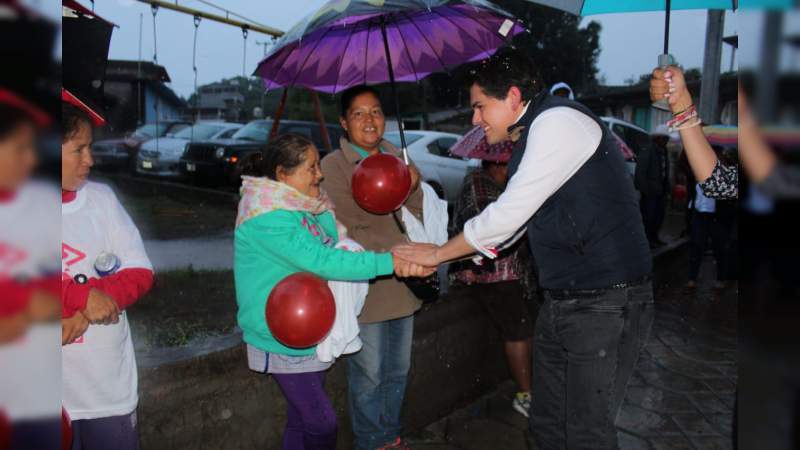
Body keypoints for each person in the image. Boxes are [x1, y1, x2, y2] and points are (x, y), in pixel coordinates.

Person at [394, 48, 654, 449]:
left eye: (480, 107)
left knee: (586, 432)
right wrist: (445, 251)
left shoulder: (557, 122)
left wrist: (437, 254)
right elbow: (509, 231)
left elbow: (507, 218)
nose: (475, 120)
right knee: (546, 423)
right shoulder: (531, 135)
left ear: (513, 97)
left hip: (606, 302)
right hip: (564, 300)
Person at [234, 133, 430, 450]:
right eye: (311, 168)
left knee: (301, 422)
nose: (320, 174)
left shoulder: (306, 206)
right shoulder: (266, 217)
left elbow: (334, 243)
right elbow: (323, 260)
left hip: (309, 331)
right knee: (321, 423)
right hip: (279, 336)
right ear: (283, 175)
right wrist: (389, 262)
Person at [319, 85, 424, 450]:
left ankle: (390, 436)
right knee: (369, 373)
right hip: (368, 283)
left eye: (376, 111)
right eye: (359, 113)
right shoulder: (332, 166)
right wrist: (389, 188)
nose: (369, 120)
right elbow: (346, 224)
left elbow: (418, 213)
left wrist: (413, 185)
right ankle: (371, 442)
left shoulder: (398, 155)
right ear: (344, 122)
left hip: (406, 281)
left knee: (399, 370)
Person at [61, 94, 155, 450]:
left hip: (106, 388)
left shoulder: (101, 200)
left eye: (90, 148)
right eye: (78, 149)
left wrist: (88, 306)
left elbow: (141, 272)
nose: (91, 159)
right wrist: (79, 296)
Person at [449, 148, 538, 419]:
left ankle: (528, 387)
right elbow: (493, 232)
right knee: (518, 332)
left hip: (506, 272)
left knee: (523, 328)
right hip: (491, 275)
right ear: (497, 164)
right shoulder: (478, 184)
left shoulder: (494, 184)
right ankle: (525, 394)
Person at [635, 125, 671, 247]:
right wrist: (645, 190)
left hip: (661, 190)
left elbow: (665, 170)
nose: (667, 141)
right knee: (648, 217)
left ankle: (654, 237)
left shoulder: (664, 151)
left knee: (659, 216)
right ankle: (646, 240)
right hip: (650, 191)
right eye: (665, 138)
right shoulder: (648, 150)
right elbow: (640, 172)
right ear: (657, 138)